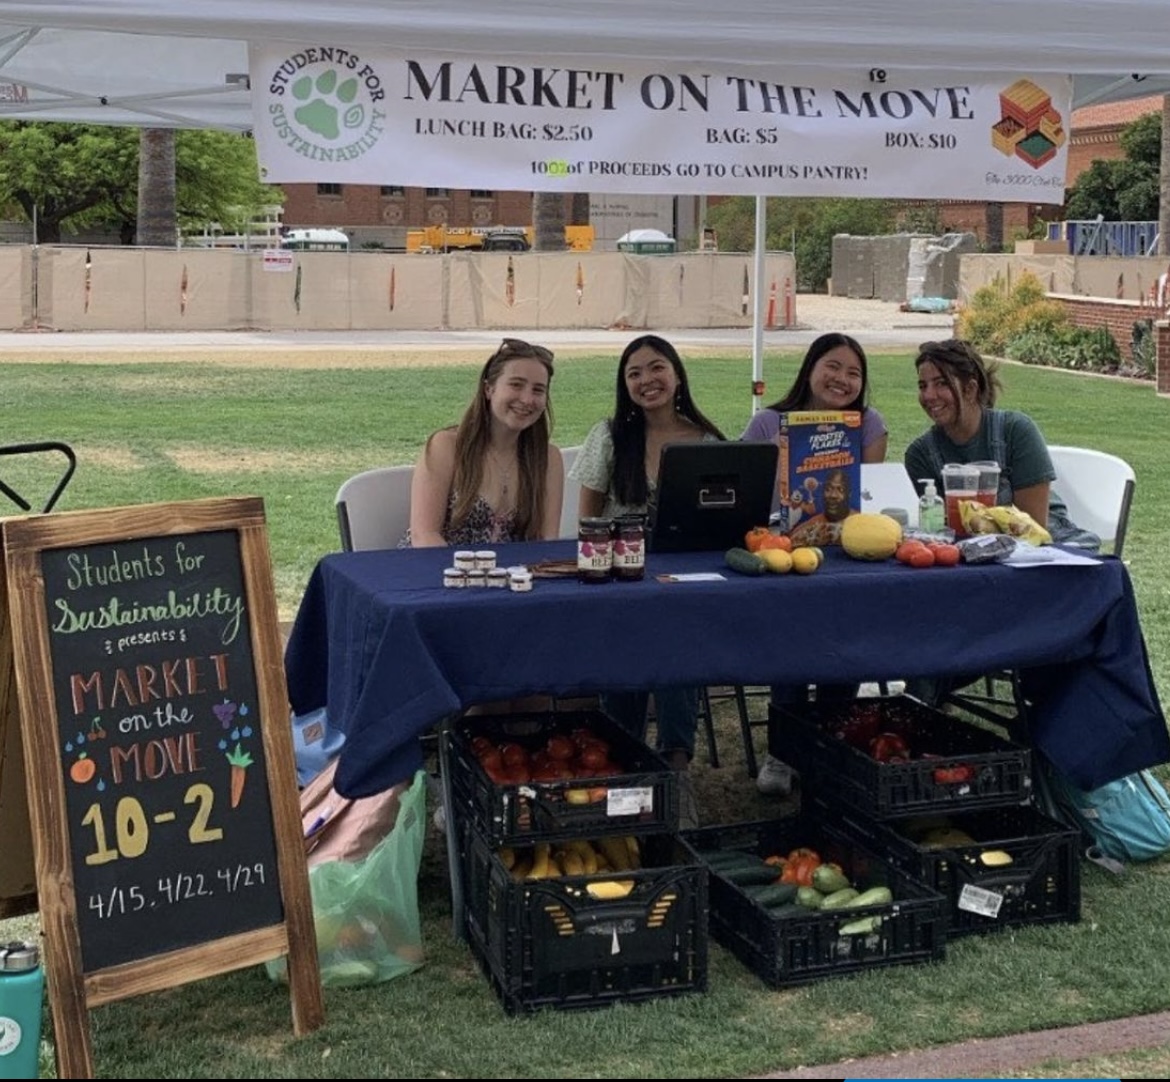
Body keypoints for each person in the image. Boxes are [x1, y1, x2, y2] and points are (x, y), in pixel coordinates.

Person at [570, 334, 725, 828]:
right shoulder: (611, 436)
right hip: (618, 581)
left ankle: (675, 770)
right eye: (633, 373)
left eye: (656, 368)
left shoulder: (708, 441)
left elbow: (724, 522)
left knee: (679, 641)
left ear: (677, 374)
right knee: (631, 649)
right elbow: (588, 520)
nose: (645, 381)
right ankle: (625, 765)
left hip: (683, 584)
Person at [903, 337, 1099, 703]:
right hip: (971, 568)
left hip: (1040, 560)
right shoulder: (921, 455)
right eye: (922, 385)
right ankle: (922, 699)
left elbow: (1033, 529)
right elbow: (946, 532)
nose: (929, 395)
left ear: (971, 386)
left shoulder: (1014, 431)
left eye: (941, 382)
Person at [741, 333, 889, 797]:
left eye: (854, 372)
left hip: (846, 556)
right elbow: (746, 496)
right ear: (810, 368)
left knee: (845, 642)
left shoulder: (867, 425)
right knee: (791, 642)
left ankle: (832, 748)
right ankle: (783, 752)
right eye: (833, 366)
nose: (842, 379)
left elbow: (868, 495)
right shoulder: (768, 423)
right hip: (783, 555)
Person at [407, 337, 563, 547]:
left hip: (515, 576)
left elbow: (546, 541)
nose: (527, 399)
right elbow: (424, 535)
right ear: (488, 389)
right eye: (516, 385)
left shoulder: (548, 459)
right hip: (439, 569)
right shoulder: (446, 446)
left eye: (538, 390)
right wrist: (471, 578)